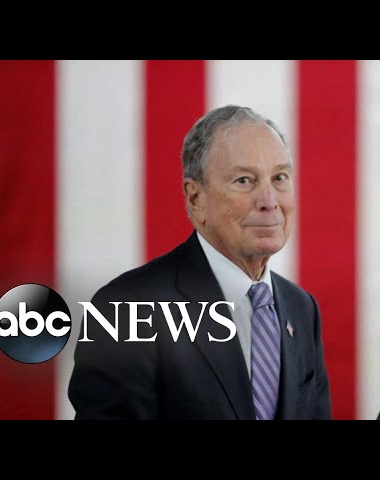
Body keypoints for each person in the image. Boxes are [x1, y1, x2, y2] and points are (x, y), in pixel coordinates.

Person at [68, 105, 331, 419]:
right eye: (244, 180)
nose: (269, 201)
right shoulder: (125, 308)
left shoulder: (302, 309)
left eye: (279, 177)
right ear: (196, 199)